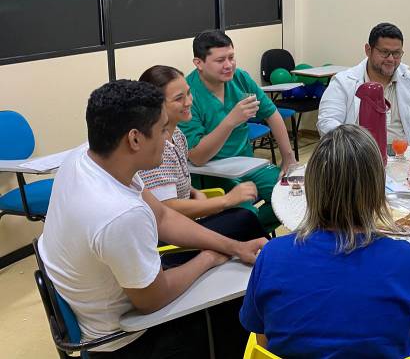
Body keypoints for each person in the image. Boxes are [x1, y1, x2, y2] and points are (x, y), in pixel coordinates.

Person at [39, 80, 266, 358]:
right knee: (237, 306)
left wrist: (232, 247)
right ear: (134, 139)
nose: (167, 138)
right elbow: (152, 301)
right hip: (126, 339)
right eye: (162, 130)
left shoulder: (85, 158)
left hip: (112, 295)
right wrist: (208, 258)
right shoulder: (119, 213)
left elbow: (161, 215)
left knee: (234, 250)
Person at [240, 125, 410, 359]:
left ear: (313, 188)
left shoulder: (272, 255)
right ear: (377, 192)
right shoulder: (408, 261)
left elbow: (263, 345)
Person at [179, 30, 297, 231]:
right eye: (220, 60)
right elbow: (198, 157)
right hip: (213, 172)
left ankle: (242, 234)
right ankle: (240, 234)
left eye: (231, 57)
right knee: (244, 214)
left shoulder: (239, 78)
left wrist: (288, 157)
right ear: (198, 63)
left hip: (248, 164)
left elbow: (271, 113)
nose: (228, 65)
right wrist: (230, 121)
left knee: (291, 197)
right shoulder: (189, 94)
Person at [139, 65, 264, 242]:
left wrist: (194, 191)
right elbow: (166, 207)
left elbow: (170, 183)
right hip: (172, 235)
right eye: (178, 99)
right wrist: (227, 200)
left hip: (187, 222)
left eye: (188, 94)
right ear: (155, 106)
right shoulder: (155, 147)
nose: (189, 102)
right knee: (244, 219)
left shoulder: (177, 135)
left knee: (247, 218)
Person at [317, 22, 410, 145]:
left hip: (404, 157)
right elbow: (327, 123)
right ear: (368, 50)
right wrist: (354, 150)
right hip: (358, 156)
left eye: (396, 53)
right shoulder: (343, 82)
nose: (391, 59)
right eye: (384, 52)